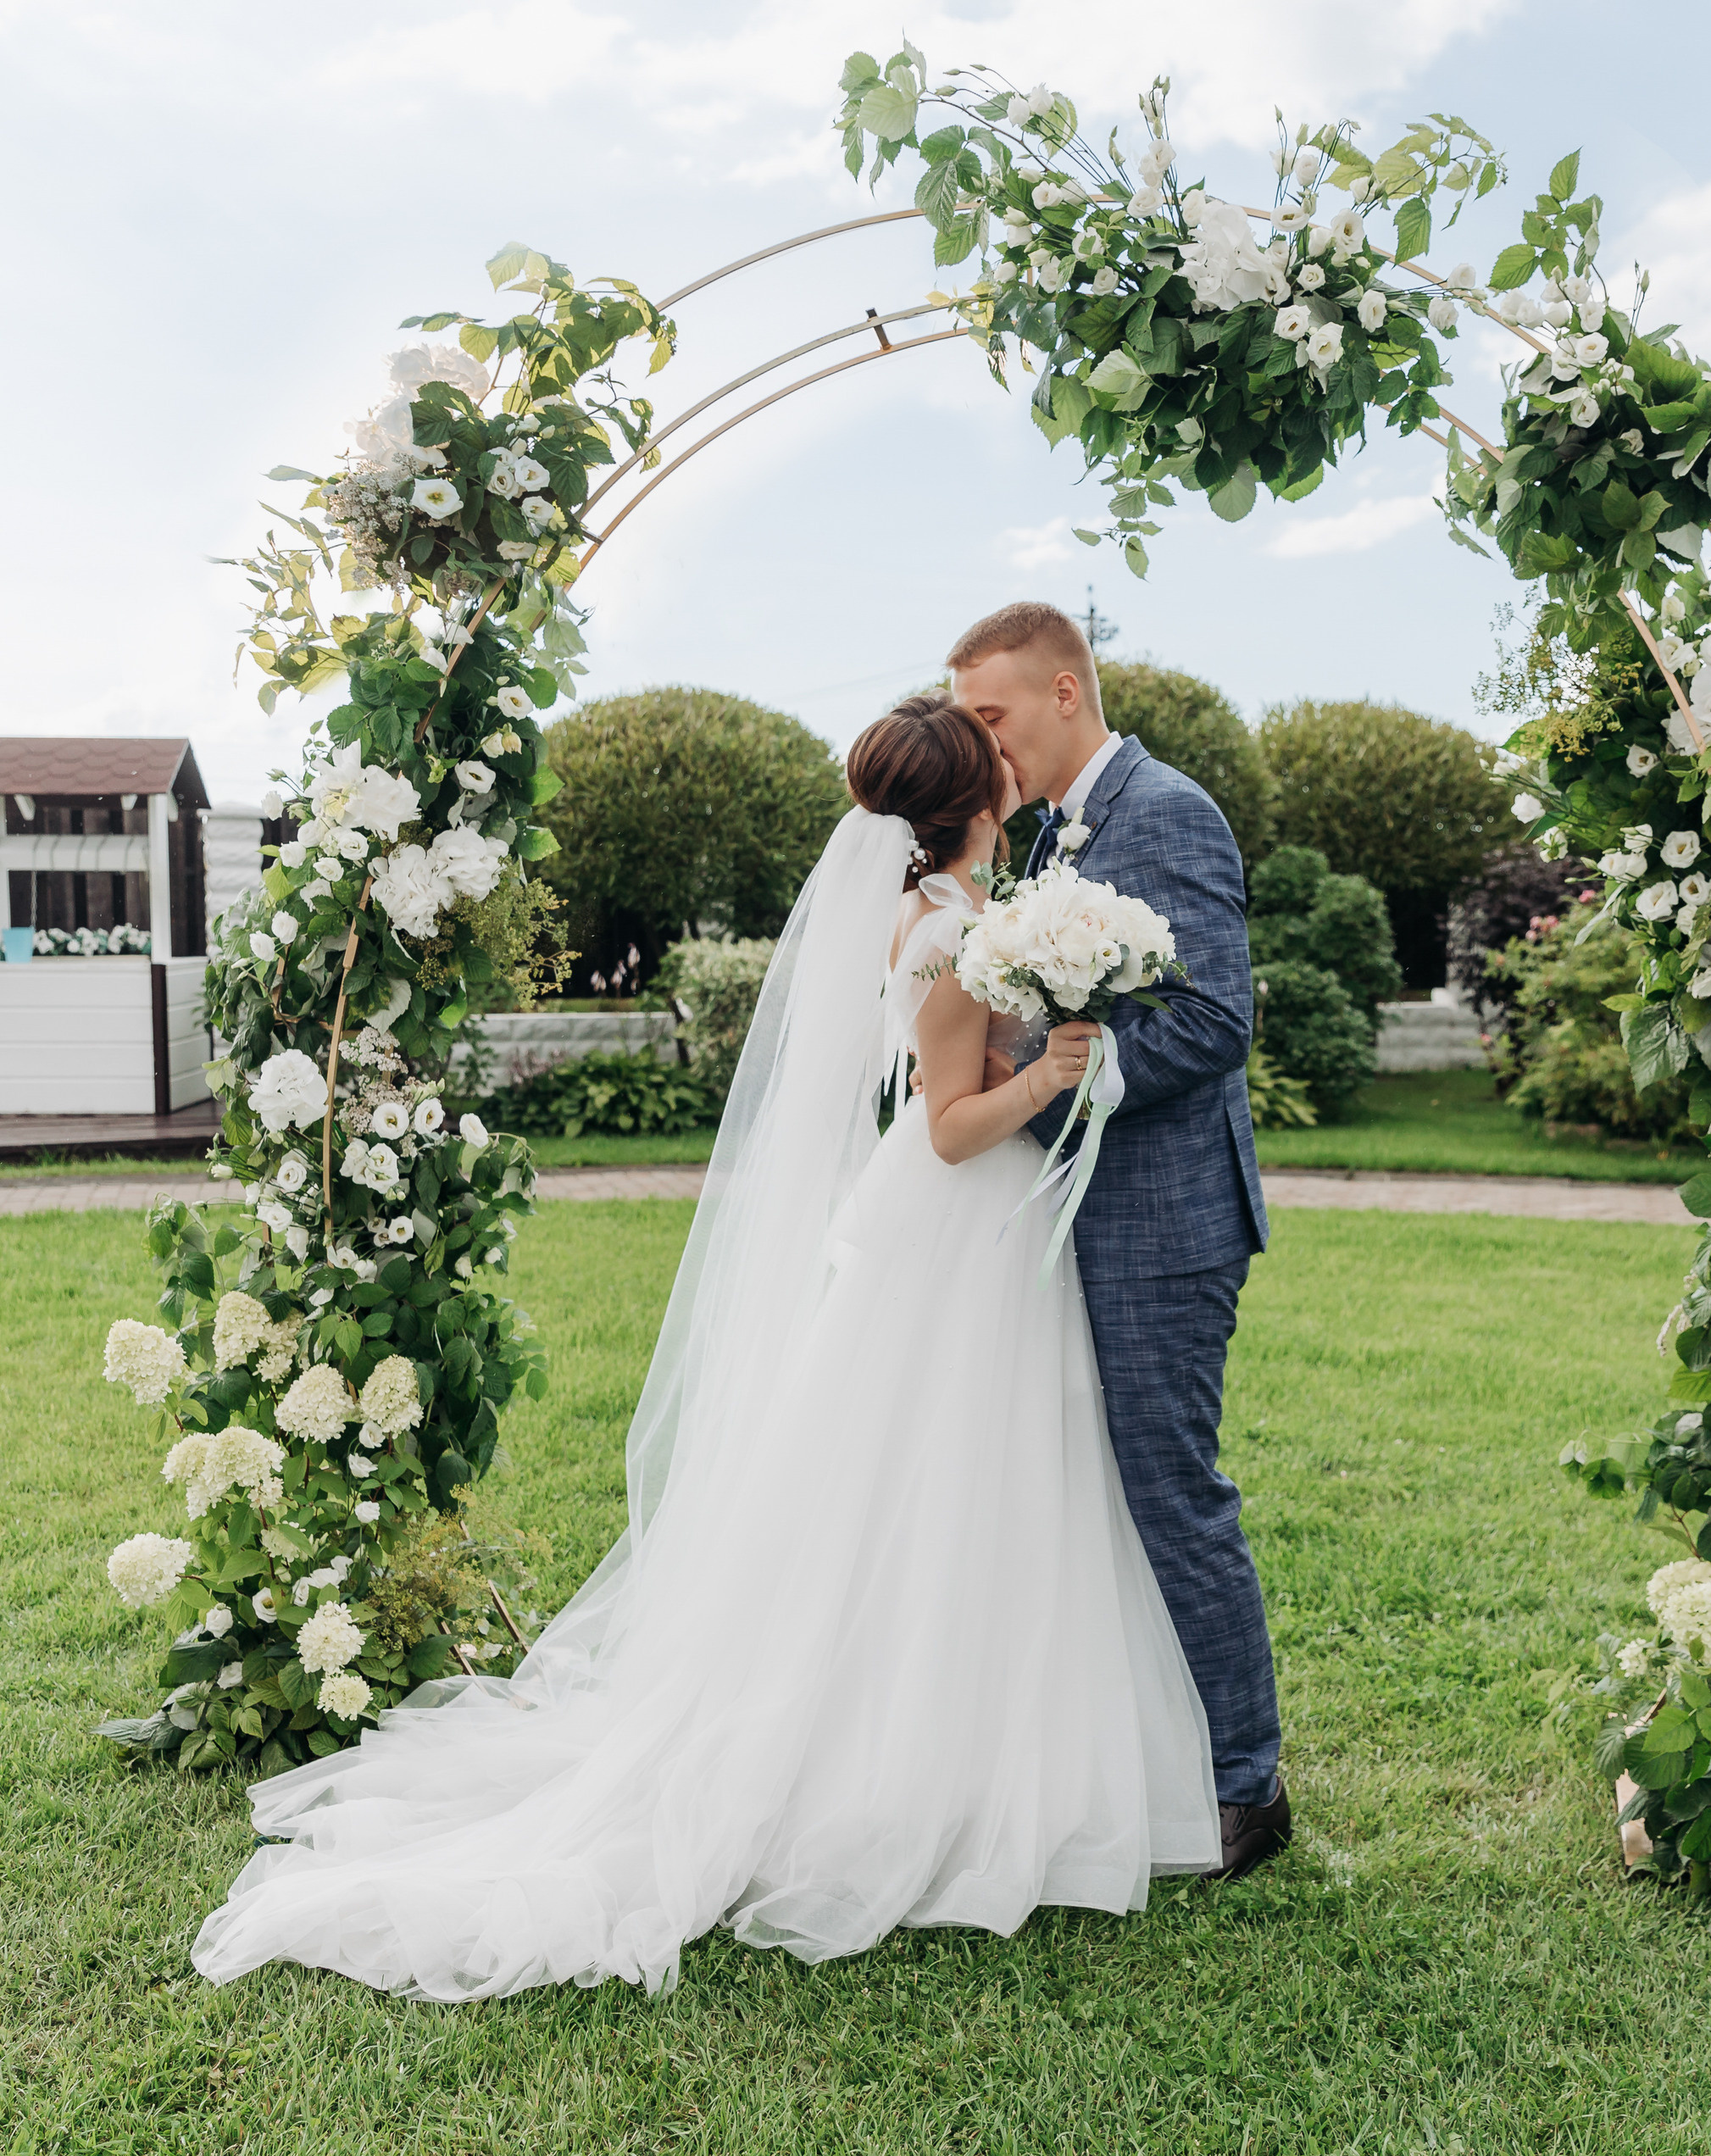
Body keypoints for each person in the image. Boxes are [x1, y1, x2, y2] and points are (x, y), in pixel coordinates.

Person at [192, 692, 1220, 1999]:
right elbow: (955, 1123)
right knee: (938, 1477)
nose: (1016, 766)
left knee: (940, 1480)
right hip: (949, 1220)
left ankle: (964, 1750)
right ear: (974, 798)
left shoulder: (946, 916)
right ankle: (913, 1770)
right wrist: (1052, 1071)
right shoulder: (957, 934)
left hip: (948, 1232)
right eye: (997, 757)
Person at [947, 603, 1287, 1881]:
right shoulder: (1050, 836)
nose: (985, 745)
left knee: (1169, 1492)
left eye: (995, 716)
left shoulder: (1171, 812)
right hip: (1076, 1212)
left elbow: (1210, 1021)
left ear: (1067, 692)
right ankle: (1145, 1755)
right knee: (1090, 1494)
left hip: (1164, 1220)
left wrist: (1045, 1077)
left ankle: (1245, 1788)